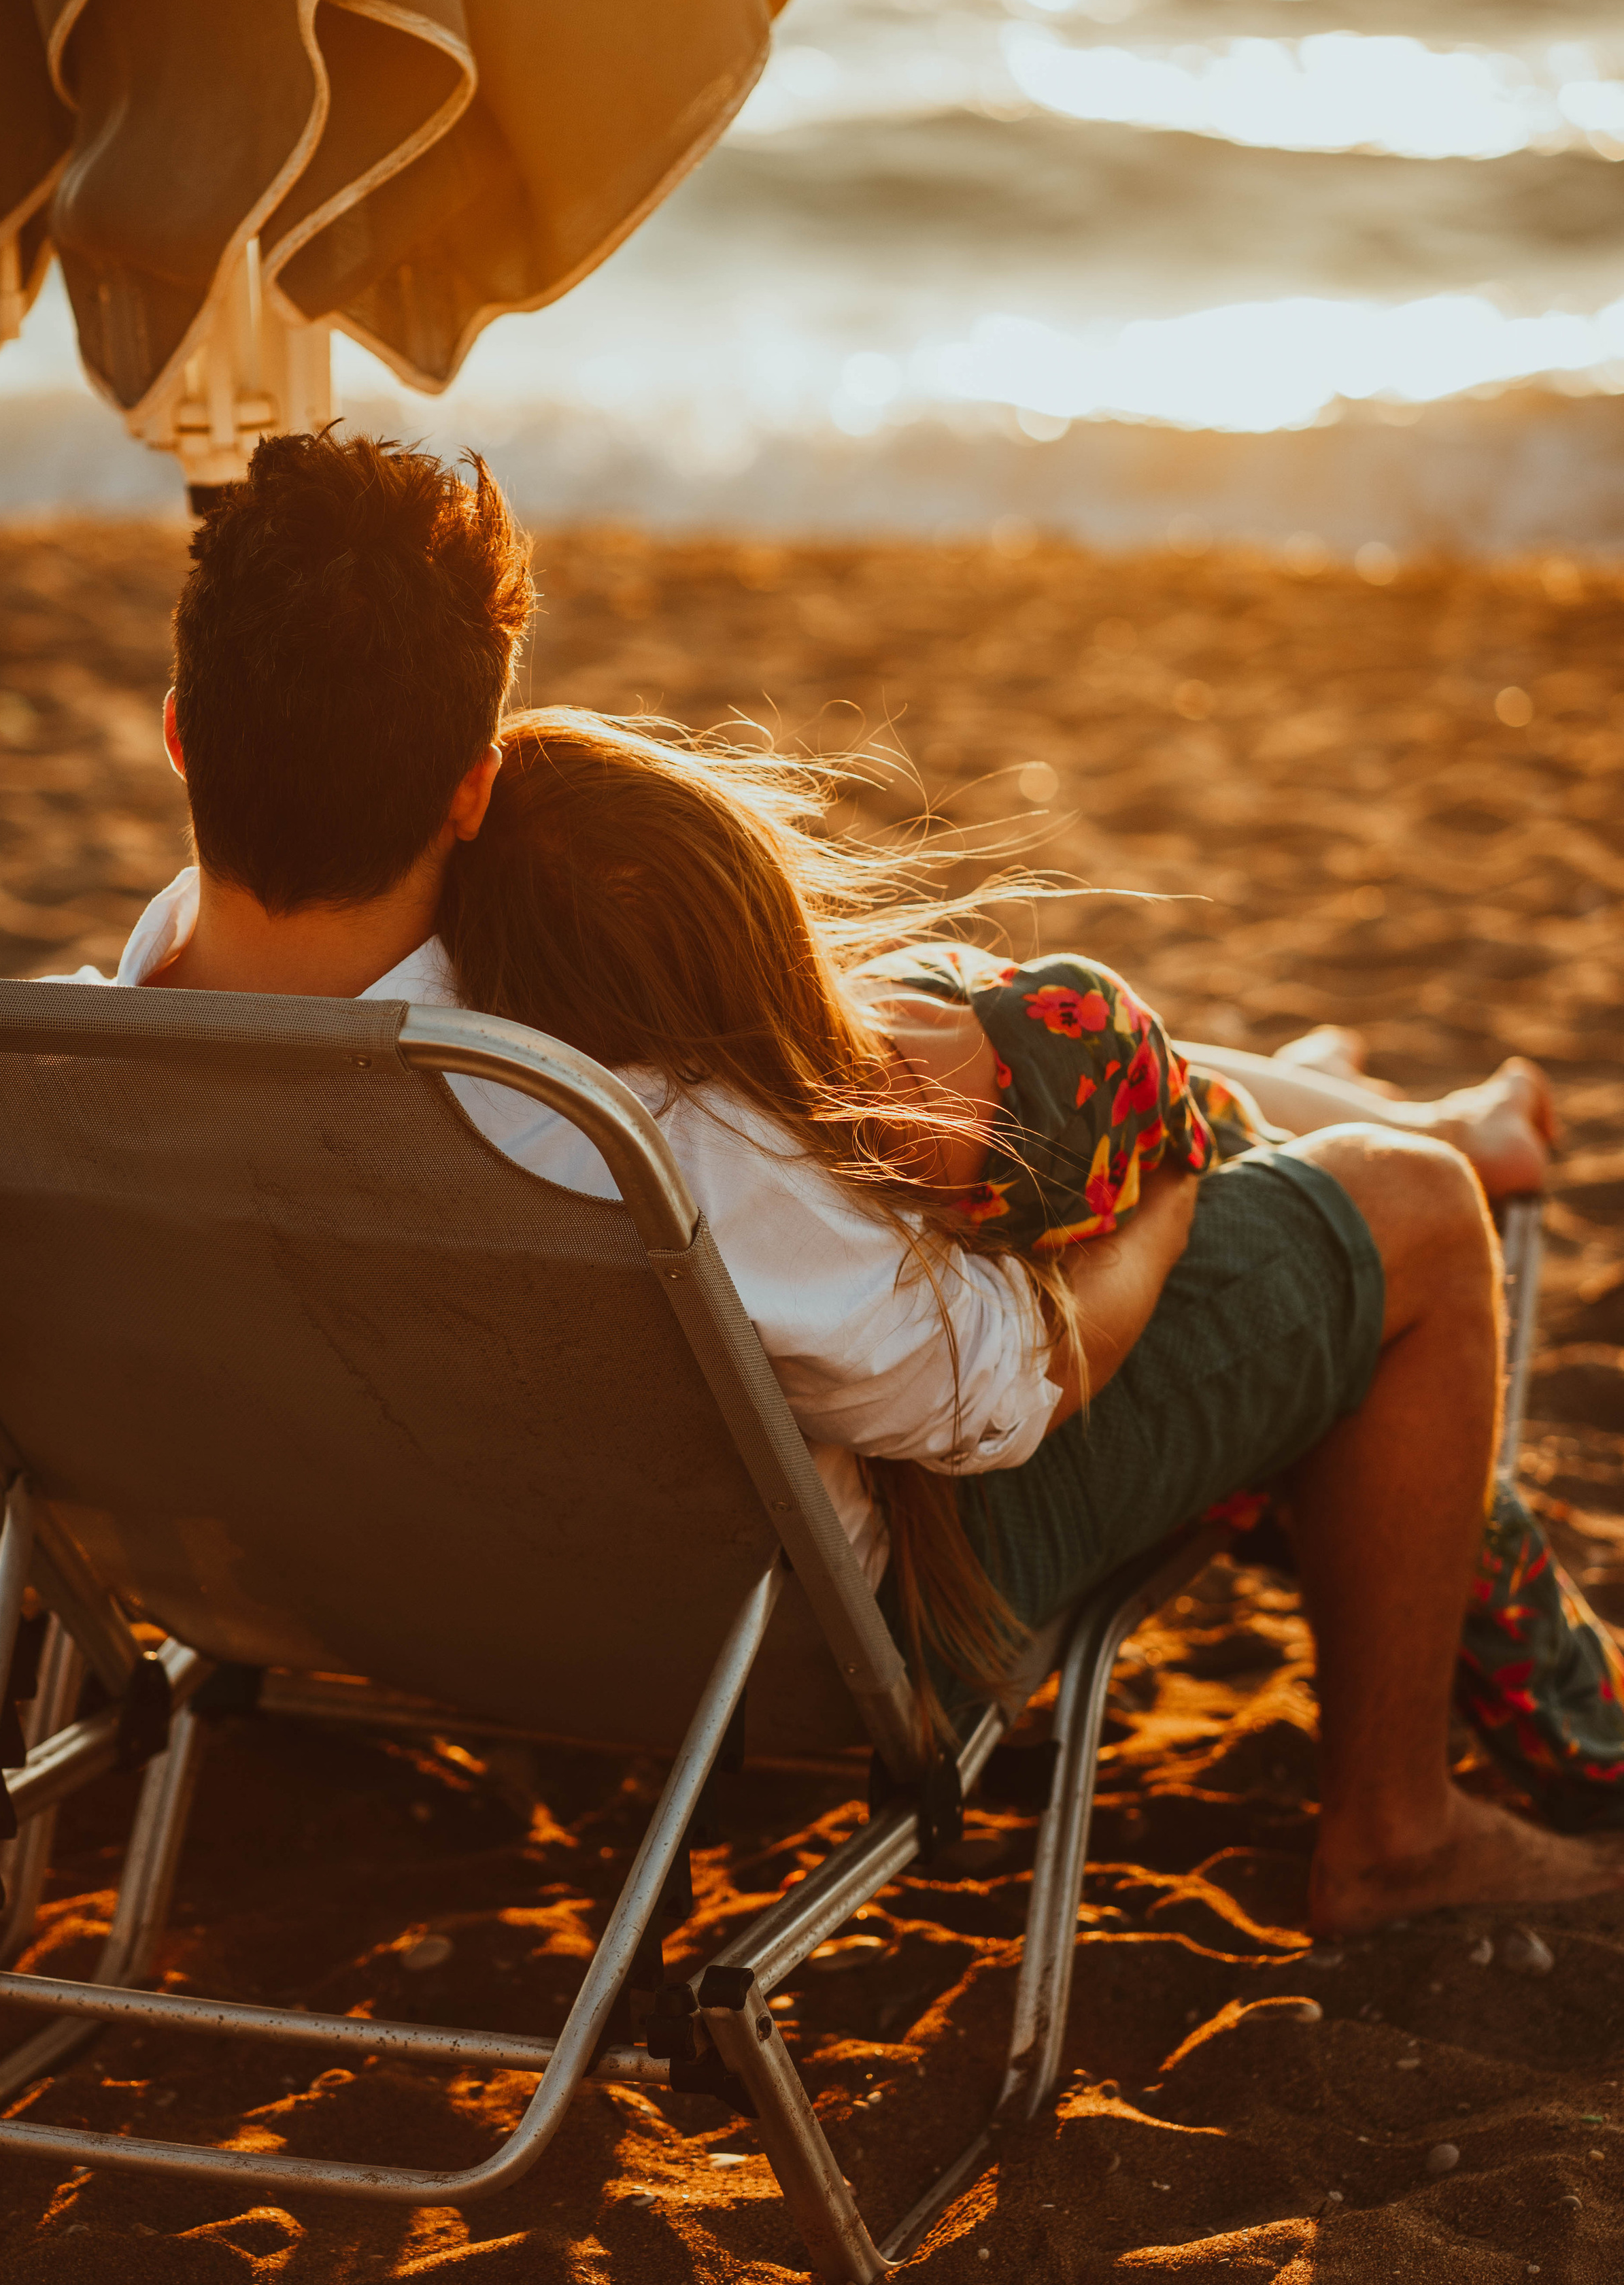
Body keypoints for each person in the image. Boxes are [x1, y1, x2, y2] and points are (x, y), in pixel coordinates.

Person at [95, 428, 1623, 1935]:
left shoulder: (67, 1067)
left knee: (926, 1032)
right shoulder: (608, 1124)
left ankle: (1295, 1099)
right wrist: (1160, 1202)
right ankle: (1398, 1834)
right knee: (1407, 1207)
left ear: (179, 734)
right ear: (474, 789)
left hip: (342, 1603)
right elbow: (993, 1394)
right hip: (764, 1654)